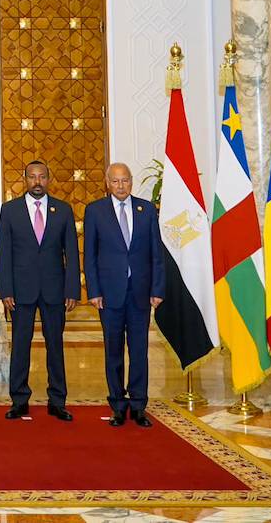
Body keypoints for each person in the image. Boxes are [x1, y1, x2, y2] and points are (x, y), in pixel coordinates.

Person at [0, 160, 82, 421]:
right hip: (20, 291)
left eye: (42, 177)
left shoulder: (63, 210)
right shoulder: (10, 210)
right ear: (25, 179)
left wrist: (72, 290)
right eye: (32, 177)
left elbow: (71, 253)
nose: (37, 182)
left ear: (48, 179)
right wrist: (5, 291)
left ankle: (57, 400)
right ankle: (19, 400)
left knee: (55, 346)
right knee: (20, 346)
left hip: (55, 290)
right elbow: (4, 253)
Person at [84, 162, 165, 428]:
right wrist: (93, 291)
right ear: (107, 183)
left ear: (132, 182)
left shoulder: (146, 210)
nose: (121, 186)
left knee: (140, 350)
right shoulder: (95, 211)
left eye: (125, 181)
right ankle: (117, 404)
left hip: (140, 293)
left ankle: (139, 404)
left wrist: (157, 288)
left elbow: (156, 253)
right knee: (114, 351)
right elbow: (90, 256)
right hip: (109, 294)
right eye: (116, 181)